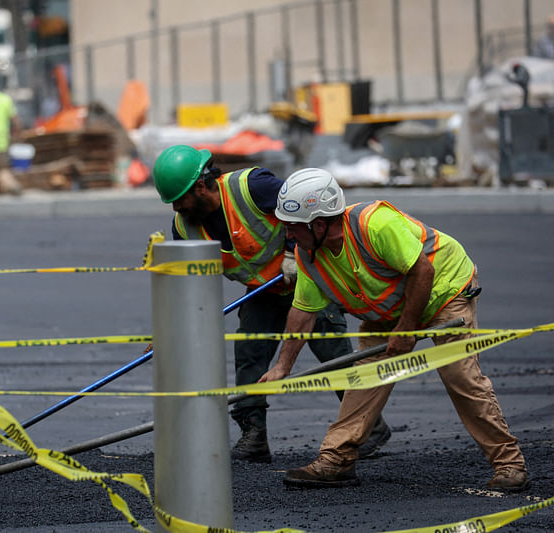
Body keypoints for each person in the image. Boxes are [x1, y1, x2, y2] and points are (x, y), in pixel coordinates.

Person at [259, 168, 528, 491]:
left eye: (292, 228)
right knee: (365, 377)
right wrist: (282, 366)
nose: (288, 236)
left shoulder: (375, 224)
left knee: (460, 376)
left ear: (318, 224)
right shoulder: (309, 255)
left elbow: (422, 271)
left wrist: (407, 329)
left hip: (444, 292)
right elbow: (303, 311)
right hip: (389, 311)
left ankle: (509, 465)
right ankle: (336, 461)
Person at [152, 145, 392, 463]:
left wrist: (293, 252)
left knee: (333, 352)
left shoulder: (251, 187)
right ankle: (254, 437)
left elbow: (303, 211)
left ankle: (370, 427)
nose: (176, 208)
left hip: (306, 278)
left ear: (199, 187)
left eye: (179, 199)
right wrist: (168, 329)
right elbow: (187, 286)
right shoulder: (185, 229)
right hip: (261, 291)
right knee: (248, 355)